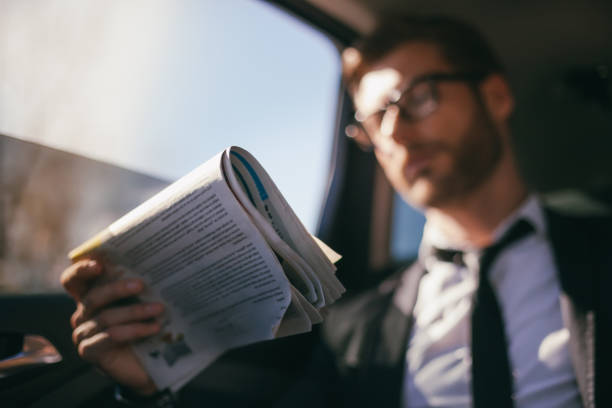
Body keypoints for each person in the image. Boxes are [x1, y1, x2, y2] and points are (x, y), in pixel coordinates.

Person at [61, 15, 612, 407]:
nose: (394, 131)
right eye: (375, 121)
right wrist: (147, 388)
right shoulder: (356, 324)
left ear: (495, 96)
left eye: (416, 97)